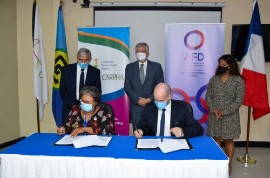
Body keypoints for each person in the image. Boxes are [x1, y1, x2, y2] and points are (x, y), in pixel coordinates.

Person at [205, 54, 245, 175]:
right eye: (219, 65)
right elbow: (208, 96)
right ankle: (218, 164)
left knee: (228, 140)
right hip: (215, 114)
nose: (221, 67)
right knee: (216, 139)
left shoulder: (238, 80)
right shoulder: (214, 79)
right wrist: (214, 109)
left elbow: (239, 100)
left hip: (230, 116)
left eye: (224, 65)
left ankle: (228, 165)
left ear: (231, 66)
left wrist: (224, 111)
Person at [134, 83, 204, 138]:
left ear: (170, 96)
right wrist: (140, 131)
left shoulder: (182, 108)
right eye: (156, 100)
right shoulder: (149, 107)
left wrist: (182, 131)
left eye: (161, 101)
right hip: (154, 144)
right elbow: (142, 127)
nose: (157, 103)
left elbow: (199, 129)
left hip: (175, 145)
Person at [124, 42, 164, 131]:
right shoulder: (129, 67)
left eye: (143, 51)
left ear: (148, 53)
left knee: (153, 131)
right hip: (136, 107)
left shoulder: (156, 67)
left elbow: (160, 86)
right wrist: (138, 100)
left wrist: (149, 99)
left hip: (153, 105)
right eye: (138, 51)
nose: (140, 53)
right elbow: (127, 87)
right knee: (138, 132)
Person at [60, 48, 101, 126]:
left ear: (90, 59)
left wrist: (87, 104)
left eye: (86, 60)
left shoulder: (95, 72)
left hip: (88, 110)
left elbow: (97, 91)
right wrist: (74, 105)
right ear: (77, 58)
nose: (83, 62)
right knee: (68, 132)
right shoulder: (66, 70)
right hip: (69, 107)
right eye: (81, 59)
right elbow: (62, 89)